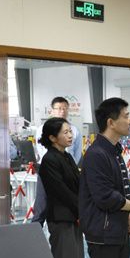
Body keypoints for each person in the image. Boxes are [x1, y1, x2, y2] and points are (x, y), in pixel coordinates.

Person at [79, 97, 130, 258]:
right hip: (103, 234)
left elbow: (124, 186)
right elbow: (105, 196)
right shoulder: (96, 154)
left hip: (118, 230)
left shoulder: (114, 151)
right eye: (126, 116)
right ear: (111, 122)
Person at [38, 117, 84, 258]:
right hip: (61, 218)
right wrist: (81, 208)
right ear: (52, 137)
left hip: (73, 216)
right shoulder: (49, 160)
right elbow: (61, 191)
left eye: (70, 131)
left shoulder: (68, 157)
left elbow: (78, 184)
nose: (70, 135)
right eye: (65, 132)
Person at [33, 97, 82, 226]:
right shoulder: (42, 129)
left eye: (65, 108)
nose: (62, 111)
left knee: (67, 201)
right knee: (42, 203)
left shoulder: (75, 130)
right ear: (52, 110)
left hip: (67, 168)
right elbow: (42, 151)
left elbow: (77, 153)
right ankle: (36, 229)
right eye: (59, 108)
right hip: (49, 168)